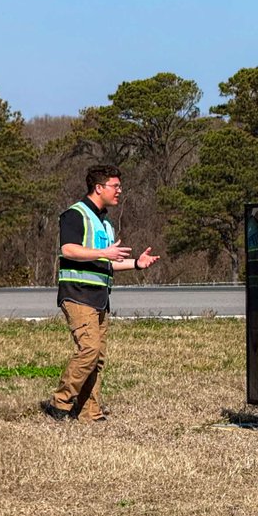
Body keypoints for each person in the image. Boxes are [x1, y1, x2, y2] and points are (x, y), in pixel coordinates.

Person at [42, 166, 159, 423]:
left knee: (98, 357)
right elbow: (69, 250)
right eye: (115, 186)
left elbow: (107, 263)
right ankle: (59, 402)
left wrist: (137, 264)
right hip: (77, 294)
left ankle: (89, 413)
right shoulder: (75, 214)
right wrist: (104, 253)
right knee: (89, 349)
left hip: (99, 298)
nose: (120, 191)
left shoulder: (105, 223)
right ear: (99, 188)